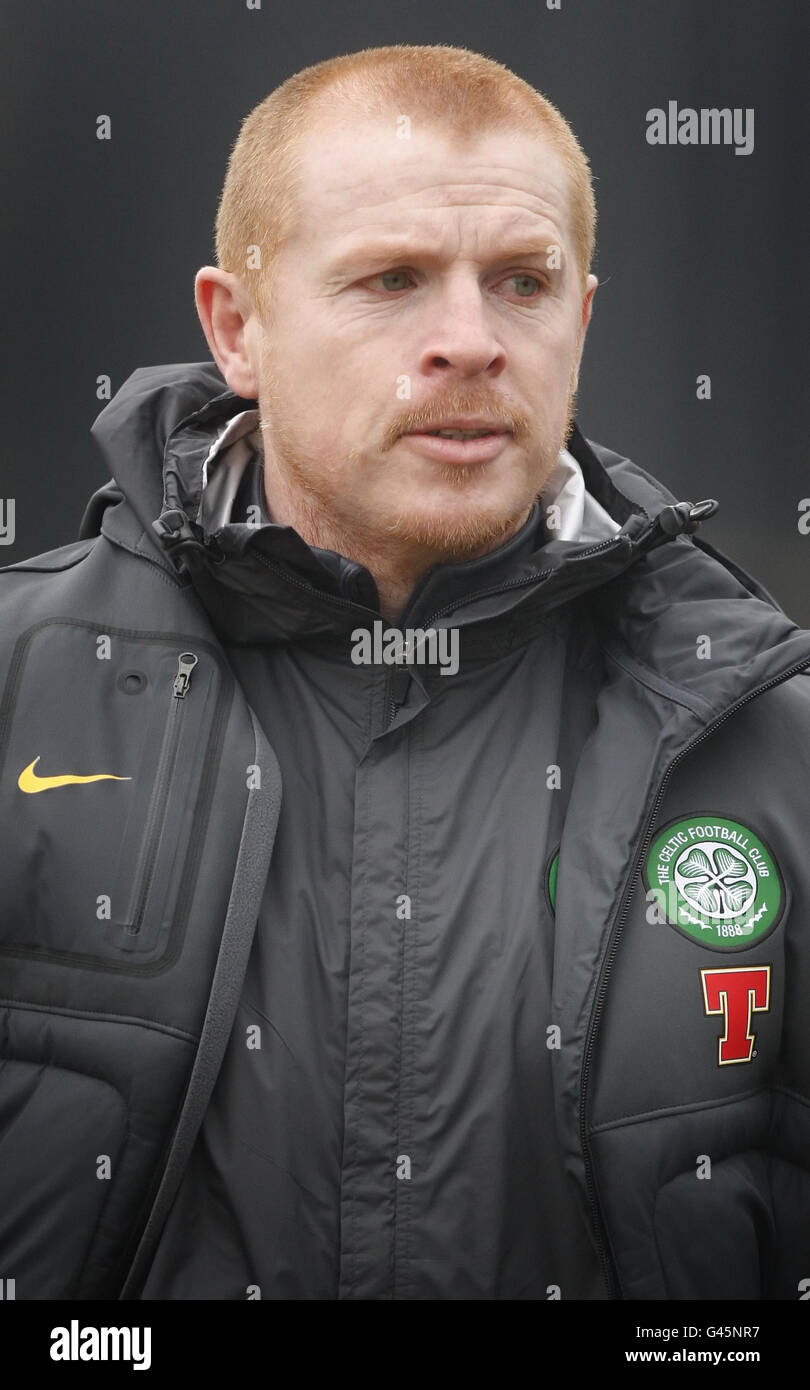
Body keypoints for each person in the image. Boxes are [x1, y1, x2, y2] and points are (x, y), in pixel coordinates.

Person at [1, 42, 808, 1304]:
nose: (471, 342)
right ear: (237, 329)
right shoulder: (17, 692)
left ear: (582, 320)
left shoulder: (767, 736)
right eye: (393, 279)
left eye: (525, 284)